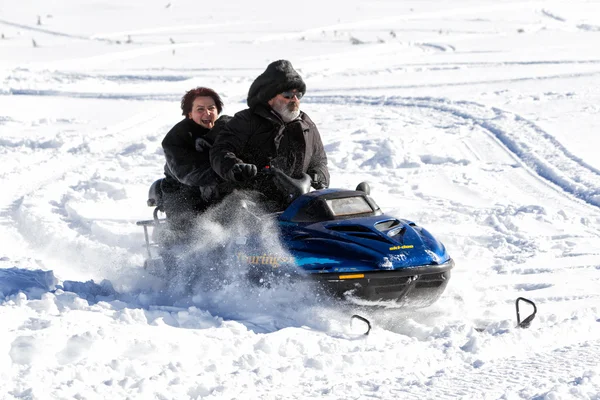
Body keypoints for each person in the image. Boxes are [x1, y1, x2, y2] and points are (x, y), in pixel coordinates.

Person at [210, 59, 330, 210]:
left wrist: (318, 176)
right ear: (270, 97)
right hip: (251, 201)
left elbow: (319, 161)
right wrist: (236, 168)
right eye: (287, 94)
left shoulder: (307, 125)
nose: (294, 100)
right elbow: (220, 151)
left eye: (298, 95)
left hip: (295, 201)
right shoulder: (246, 120)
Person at [161, 87, 231, 231]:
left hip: (220, 187)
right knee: (189, 229)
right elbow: (189, 174)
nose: (207, 113)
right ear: (189, 114)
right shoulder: (176, 138)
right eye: (200, 109)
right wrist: (228, 171)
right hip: (184, 190)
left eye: (212, 108)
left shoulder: (230, 129)